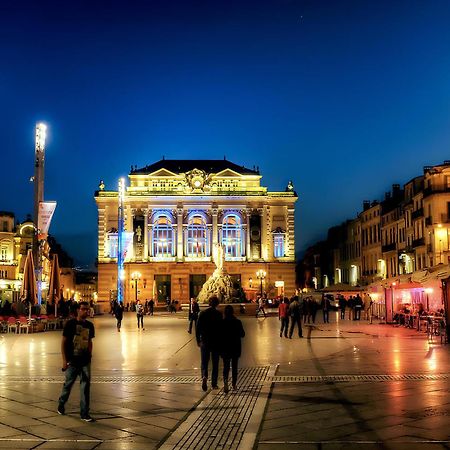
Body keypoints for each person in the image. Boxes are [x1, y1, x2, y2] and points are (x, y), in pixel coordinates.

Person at [57, 301, 95, 422]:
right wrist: (64, 360)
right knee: (68, 385)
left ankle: (84, 413)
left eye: (87, 309)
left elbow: (90, 342)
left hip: (85, 361)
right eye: (83, 309)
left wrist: (90, 354)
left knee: (85, 386)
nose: (86, 311)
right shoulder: (70, 324)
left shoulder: (90, 325)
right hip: (72, 360)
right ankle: (61, 404)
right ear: (78, 310)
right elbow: (63, 342)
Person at [196, 296, 223, 391]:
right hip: (216, 341)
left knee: (204, 361)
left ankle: (204, 376)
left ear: (209, 303)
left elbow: (197, 328)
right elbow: (221, 329)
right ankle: (214, 384)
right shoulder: (219, 314)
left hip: (205, 341)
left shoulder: (202, 313)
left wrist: (198, 340)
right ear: (217, 304)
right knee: (215, 363)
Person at [221, 305, 245, 393]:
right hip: (235, 347)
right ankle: (234, 384)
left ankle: (225, 382)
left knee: (226, 366)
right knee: (234, 367)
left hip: (225, 347)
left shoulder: (222, 322)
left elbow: (219, 335)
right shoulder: (237, 322)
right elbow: (242, 334)